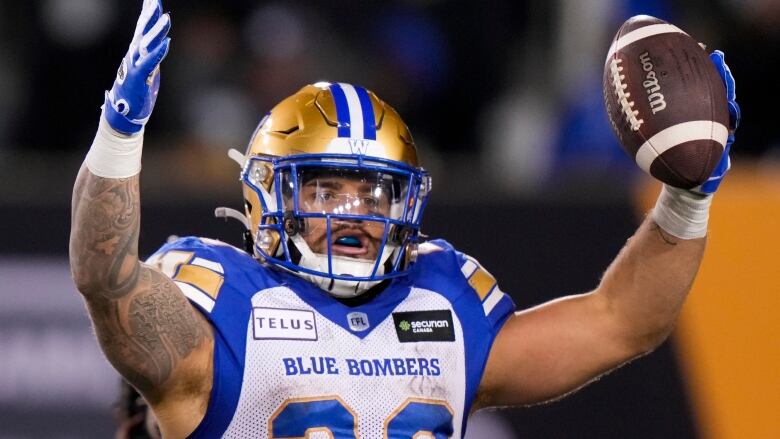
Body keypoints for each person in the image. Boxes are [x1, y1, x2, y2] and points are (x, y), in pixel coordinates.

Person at [70, 1, 740, 438]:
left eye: (374, 193)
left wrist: (687, 197)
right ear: (266, 196)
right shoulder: (220, 305)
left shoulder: (443, 303)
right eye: (328, 190)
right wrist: (119, 132)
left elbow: (622, 322)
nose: (355, 212)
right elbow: (106, 277)